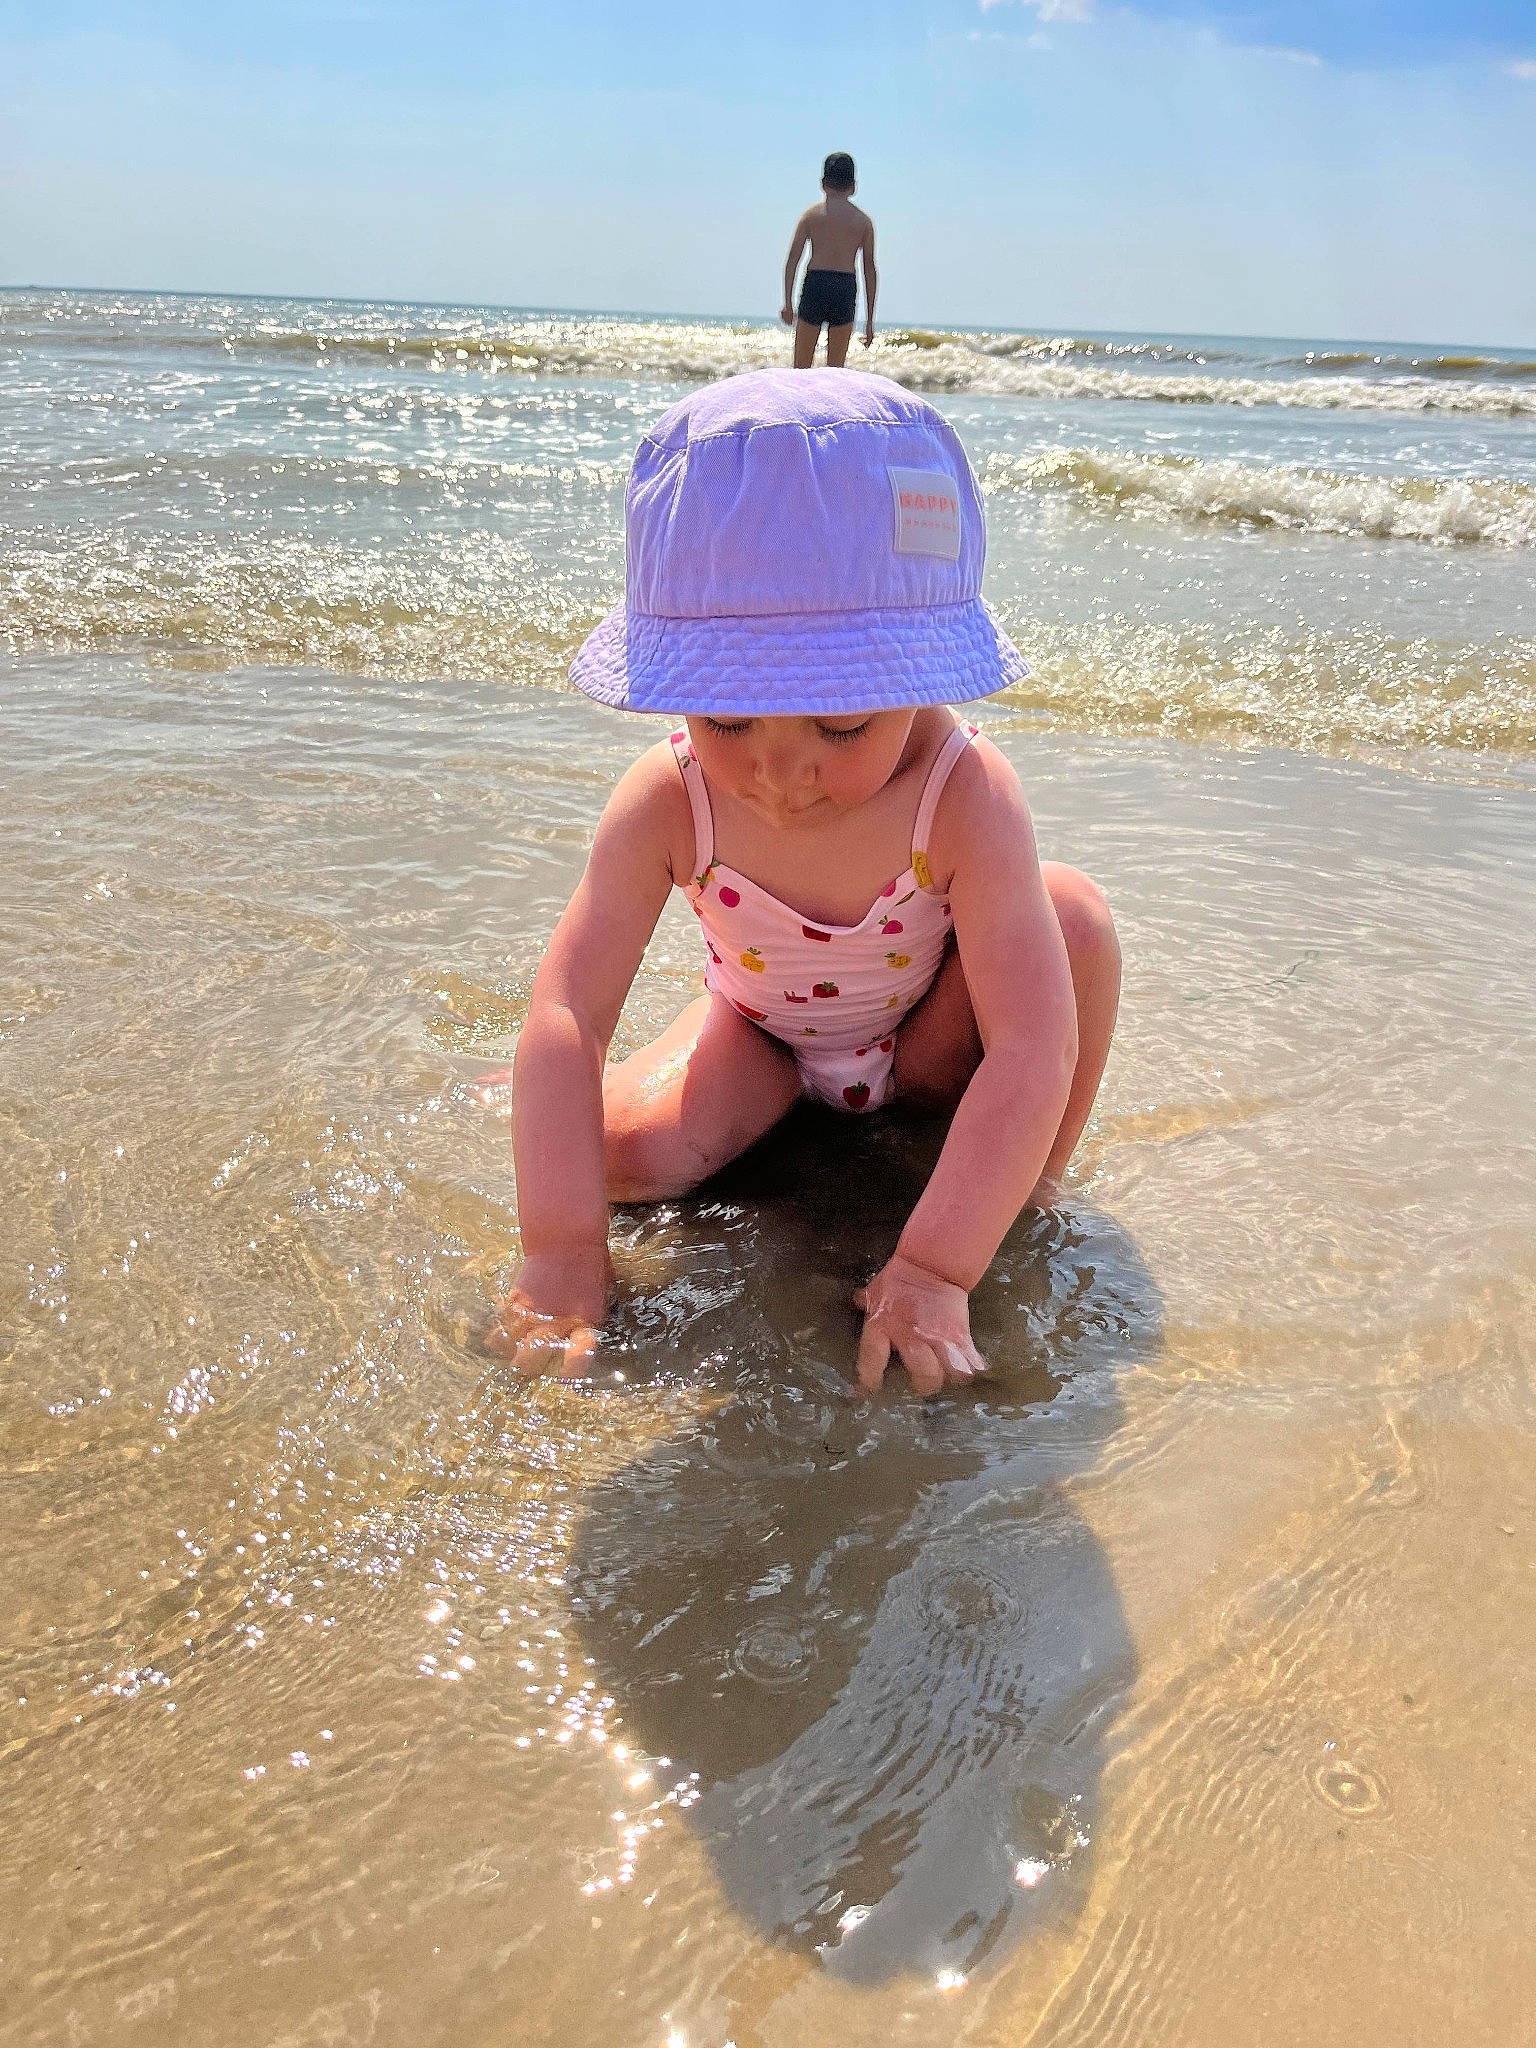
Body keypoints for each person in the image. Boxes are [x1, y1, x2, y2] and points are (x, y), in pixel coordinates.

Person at [484, 369, 1120, 1393]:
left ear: (921, 669)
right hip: (764, 1031)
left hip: (923, 1041)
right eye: (728, 717)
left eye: (838, 723)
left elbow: (1032, 1044)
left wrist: (935, 1265)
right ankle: (655, 1084)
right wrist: (562, 1250)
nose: (779, 774)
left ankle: (1025, 1185)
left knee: (1073, 919)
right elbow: (565, 1005)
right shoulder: (671, 799)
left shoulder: (962, 794)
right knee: (615, 1160)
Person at [781, 152, 877, 368]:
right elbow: (869, 270)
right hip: (844, 287)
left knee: (801, 369)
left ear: (823, 184)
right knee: (835, 371)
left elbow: (792, 260)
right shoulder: (863, 222)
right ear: (853, 186)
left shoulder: (811, 216)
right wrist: (869, 320)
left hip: (815, 283)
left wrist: (787, 302)